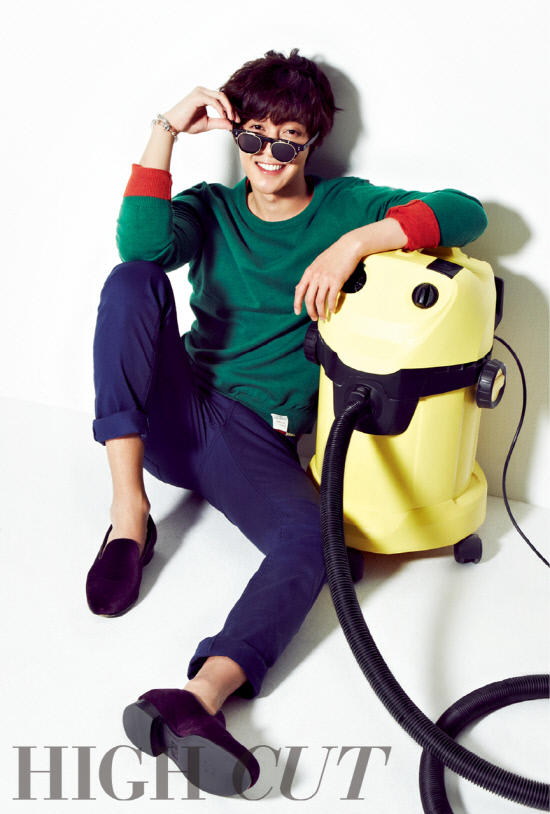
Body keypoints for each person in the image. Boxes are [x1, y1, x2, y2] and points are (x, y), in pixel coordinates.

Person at [85, 49, 488, 796]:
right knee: (130, 281)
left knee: (314, 543)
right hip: (174, 409)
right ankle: (129, 517)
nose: (268, 156)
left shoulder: (344, 207)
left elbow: (467, 212)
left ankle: (199, 699)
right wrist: (166, 128)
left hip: (254, 438)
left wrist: (355, 243)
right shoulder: (212, 207)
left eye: (289, 141)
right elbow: (139, 248)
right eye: (254, 137)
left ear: (312, 142)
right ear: (234, 134)